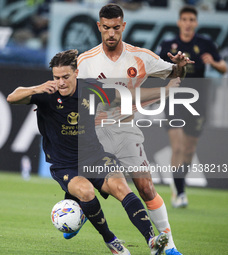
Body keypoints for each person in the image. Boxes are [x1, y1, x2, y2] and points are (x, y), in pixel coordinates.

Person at [7, 49, 175, 255]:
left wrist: (165, 90)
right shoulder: (45, 95)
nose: (60, 82)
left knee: (122, 188)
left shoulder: (90, 88)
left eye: (65, 77)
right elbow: (12, 98)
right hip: (65, 166)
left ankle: (152, 240)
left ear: (76, 72)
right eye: (56, 77)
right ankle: (111, 240)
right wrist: (38, 87)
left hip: (95, 157)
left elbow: (125, 96)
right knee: (86, 191)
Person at [75, 3, 195, 255]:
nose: (111, 34)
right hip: (94, 132)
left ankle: (169, 248)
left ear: (123, 26)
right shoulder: (84, 62)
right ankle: (73, 217)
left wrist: (181, 65)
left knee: (146, 187)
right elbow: (67, 91)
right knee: (81, 187)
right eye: (106, 28)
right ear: (99, 26)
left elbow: (175, 73)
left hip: (125, 129)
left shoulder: (141, 57)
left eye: (116, 28)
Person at [157, 5, 227, 208]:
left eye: (191, 20)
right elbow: (160, 71)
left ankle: (180, 184)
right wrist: (174, 67)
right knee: (177, 146)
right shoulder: (168, 44)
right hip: (175, 98)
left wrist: (213, 63)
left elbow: (223, 68)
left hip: (198, 100)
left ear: (196, 23)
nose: (188, 23)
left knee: (189, 150)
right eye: (184, 19)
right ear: (179, 22)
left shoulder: (205, 43)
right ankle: (178, 192)